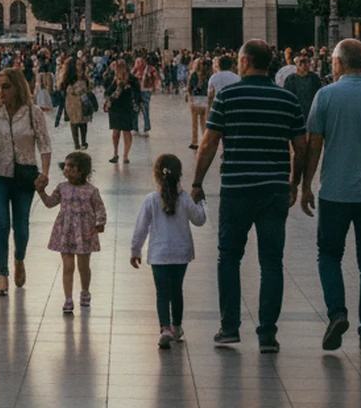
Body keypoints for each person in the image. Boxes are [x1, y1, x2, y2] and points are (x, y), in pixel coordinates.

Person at [191, 39, 307, 353]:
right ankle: (267, 334)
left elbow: (209, 144)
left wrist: (197, 182)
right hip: (273, 190)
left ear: (244, 62)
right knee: (271, 262)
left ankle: (229, 328)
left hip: (237, 189)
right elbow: (301, 146)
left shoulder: (228, 96)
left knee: (228, 257)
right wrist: (295, 182)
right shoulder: (287, 99)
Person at [299, 38, 361, 355]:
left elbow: (313, 144)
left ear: (339, 63)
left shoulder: (326, 96)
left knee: (329, 255)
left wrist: (306, 185)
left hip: (335, 191)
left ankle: (337, 314)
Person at [0, 67, 52, 296]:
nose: (1, 90)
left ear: (17, 87)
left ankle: (19, 258)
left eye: (6, 86)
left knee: (21, 226)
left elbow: (44, 143)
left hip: (25, 174)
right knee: (1, 224)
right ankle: (2, 274)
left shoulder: (33, 112)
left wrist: (45, 173)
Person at [130, 153, 207, 349]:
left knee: (162, 293)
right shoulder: (186, 199)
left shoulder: (151, 199)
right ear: (179, 175)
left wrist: (135, 250)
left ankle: (164, 328)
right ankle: (177, 326)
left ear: (156, 175)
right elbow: (199, 220)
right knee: (176, 291)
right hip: (181, 253)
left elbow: (141, 227)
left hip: (159, 254)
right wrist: (201, 202)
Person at [40, 151, 106, 315]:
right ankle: (68, 298)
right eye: (66, 165)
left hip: (85, 232)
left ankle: (85, 291)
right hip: (66, 231)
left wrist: (100, 223)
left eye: (72, 166)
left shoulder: (91, 191)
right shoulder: (62, 188)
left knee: (83, 266)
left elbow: (99, 208)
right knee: (68, 266)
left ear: (82, 171)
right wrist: (41, 191)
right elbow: (50, 203)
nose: (67, 169)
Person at [104, 59, 141, 165]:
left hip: (126, 107)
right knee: (115, 132)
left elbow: (137, 93)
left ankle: (125, 155)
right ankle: (115, 153)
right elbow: (107, 92)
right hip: (115, 108)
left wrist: (136, 105)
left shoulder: (132, 79)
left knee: (126, 131)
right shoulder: (112, 79)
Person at [60, 57, 92, 150]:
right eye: (77, 64)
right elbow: (64, 89)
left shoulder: (85, 77)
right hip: (72, 102)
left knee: (83, 121)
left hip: (83, 101)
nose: (79, 66)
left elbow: (89, 88)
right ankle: (76, 143)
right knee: (74, 122)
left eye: (80, 64)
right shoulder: (69, 77)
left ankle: (83, 141)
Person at [283, 52, 324, 122]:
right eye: (302, 62)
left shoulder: (314, 78)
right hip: (296, 115)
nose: (305, 65)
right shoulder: (290, 80)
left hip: (312, 115)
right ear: (296, 64)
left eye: (308, 62)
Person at [186, 58, 209, 151]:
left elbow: (190, 87)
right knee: (204, 122)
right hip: (205, 100)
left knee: (194, 122)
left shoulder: (194, 74)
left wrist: (189, 97)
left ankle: (195, 141)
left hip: (196, 99)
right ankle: (204, 140)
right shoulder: (207, 75)